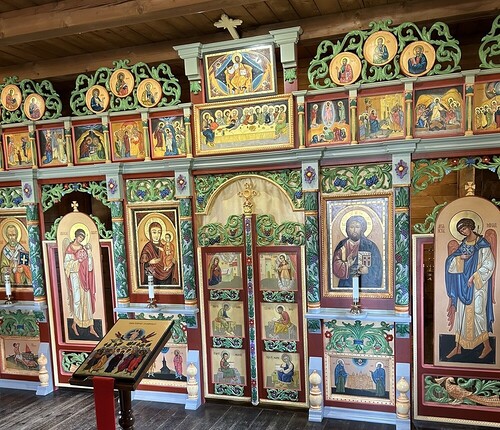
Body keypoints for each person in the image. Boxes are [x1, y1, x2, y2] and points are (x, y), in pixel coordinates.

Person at [445, 218, 495, 360]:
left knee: (479, 314)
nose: (463, 232)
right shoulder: (463, 244)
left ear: (470, 227)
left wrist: (474, 276)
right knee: (461, 314)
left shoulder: (482, 244)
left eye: (464, 229)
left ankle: (487, 346)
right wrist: (460, 258)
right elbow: (451, 262)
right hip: (463, 285)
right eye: (461, 231)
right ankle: (458, 347)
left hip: (478, 286)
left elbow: (489, 264)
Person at [64, 228, 98, 337]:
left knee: (87, 300)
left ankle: (91, 327)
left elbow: (89, 266)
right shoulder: (70, 249)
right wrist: (77, 262)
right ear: (75, 236)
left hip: (84, 277)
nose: (81, 239)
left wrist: (89, 254)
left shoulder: (84, 248)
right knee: (77, 300)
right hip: (75, 277)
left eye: (82, 238)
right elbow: (66, 265)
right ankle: (75, 324)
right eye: (80, 237)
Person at [333, 215, 383, 289]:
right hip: (346, 285)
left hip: (365, 284)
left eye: (357, 227)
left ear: (362, 229)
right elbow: (335, 265)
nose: (354, 230)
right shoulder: (342, 245)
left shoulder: (370, 246)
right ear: (347, 229)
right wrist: (347, 265)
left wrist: (367, 270)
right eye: (351, 227)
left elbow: (378, 267)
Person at [139, 221, 179, 285]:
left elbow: (169, 259)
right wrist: (150, 262)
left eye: (159, 232)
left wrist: (174, 263)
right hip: (152, 278)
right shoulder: (147, 248)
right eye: (154, 232)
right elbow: (142, 264)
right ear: (150, 233)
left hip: (166, 278)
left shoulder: (164, 246)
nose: (157, 235)